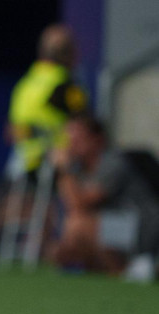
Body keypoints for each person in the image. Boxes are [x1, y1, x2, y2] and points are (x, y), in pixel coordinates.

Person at [52, 114, 159, 281]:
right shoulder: (79, 168)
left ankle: (125, 272)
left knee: (78, 224)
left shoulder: (113, 163)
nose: (71, 143)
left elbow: (78, 204)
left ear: (97, 140)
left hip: (141, 230)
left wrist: (64, 170)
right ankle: (104, 270)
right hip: (115, 226)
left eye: (78, 137)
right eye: (68, 138)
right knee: (63, 245)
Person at [8, 24, 87, 177]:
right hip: (57, 165)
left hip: (24, 164)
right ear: (67, 55)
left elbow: (12, 130)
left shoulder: (24, 85)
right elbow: (86, 128)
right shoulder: (65, 85)